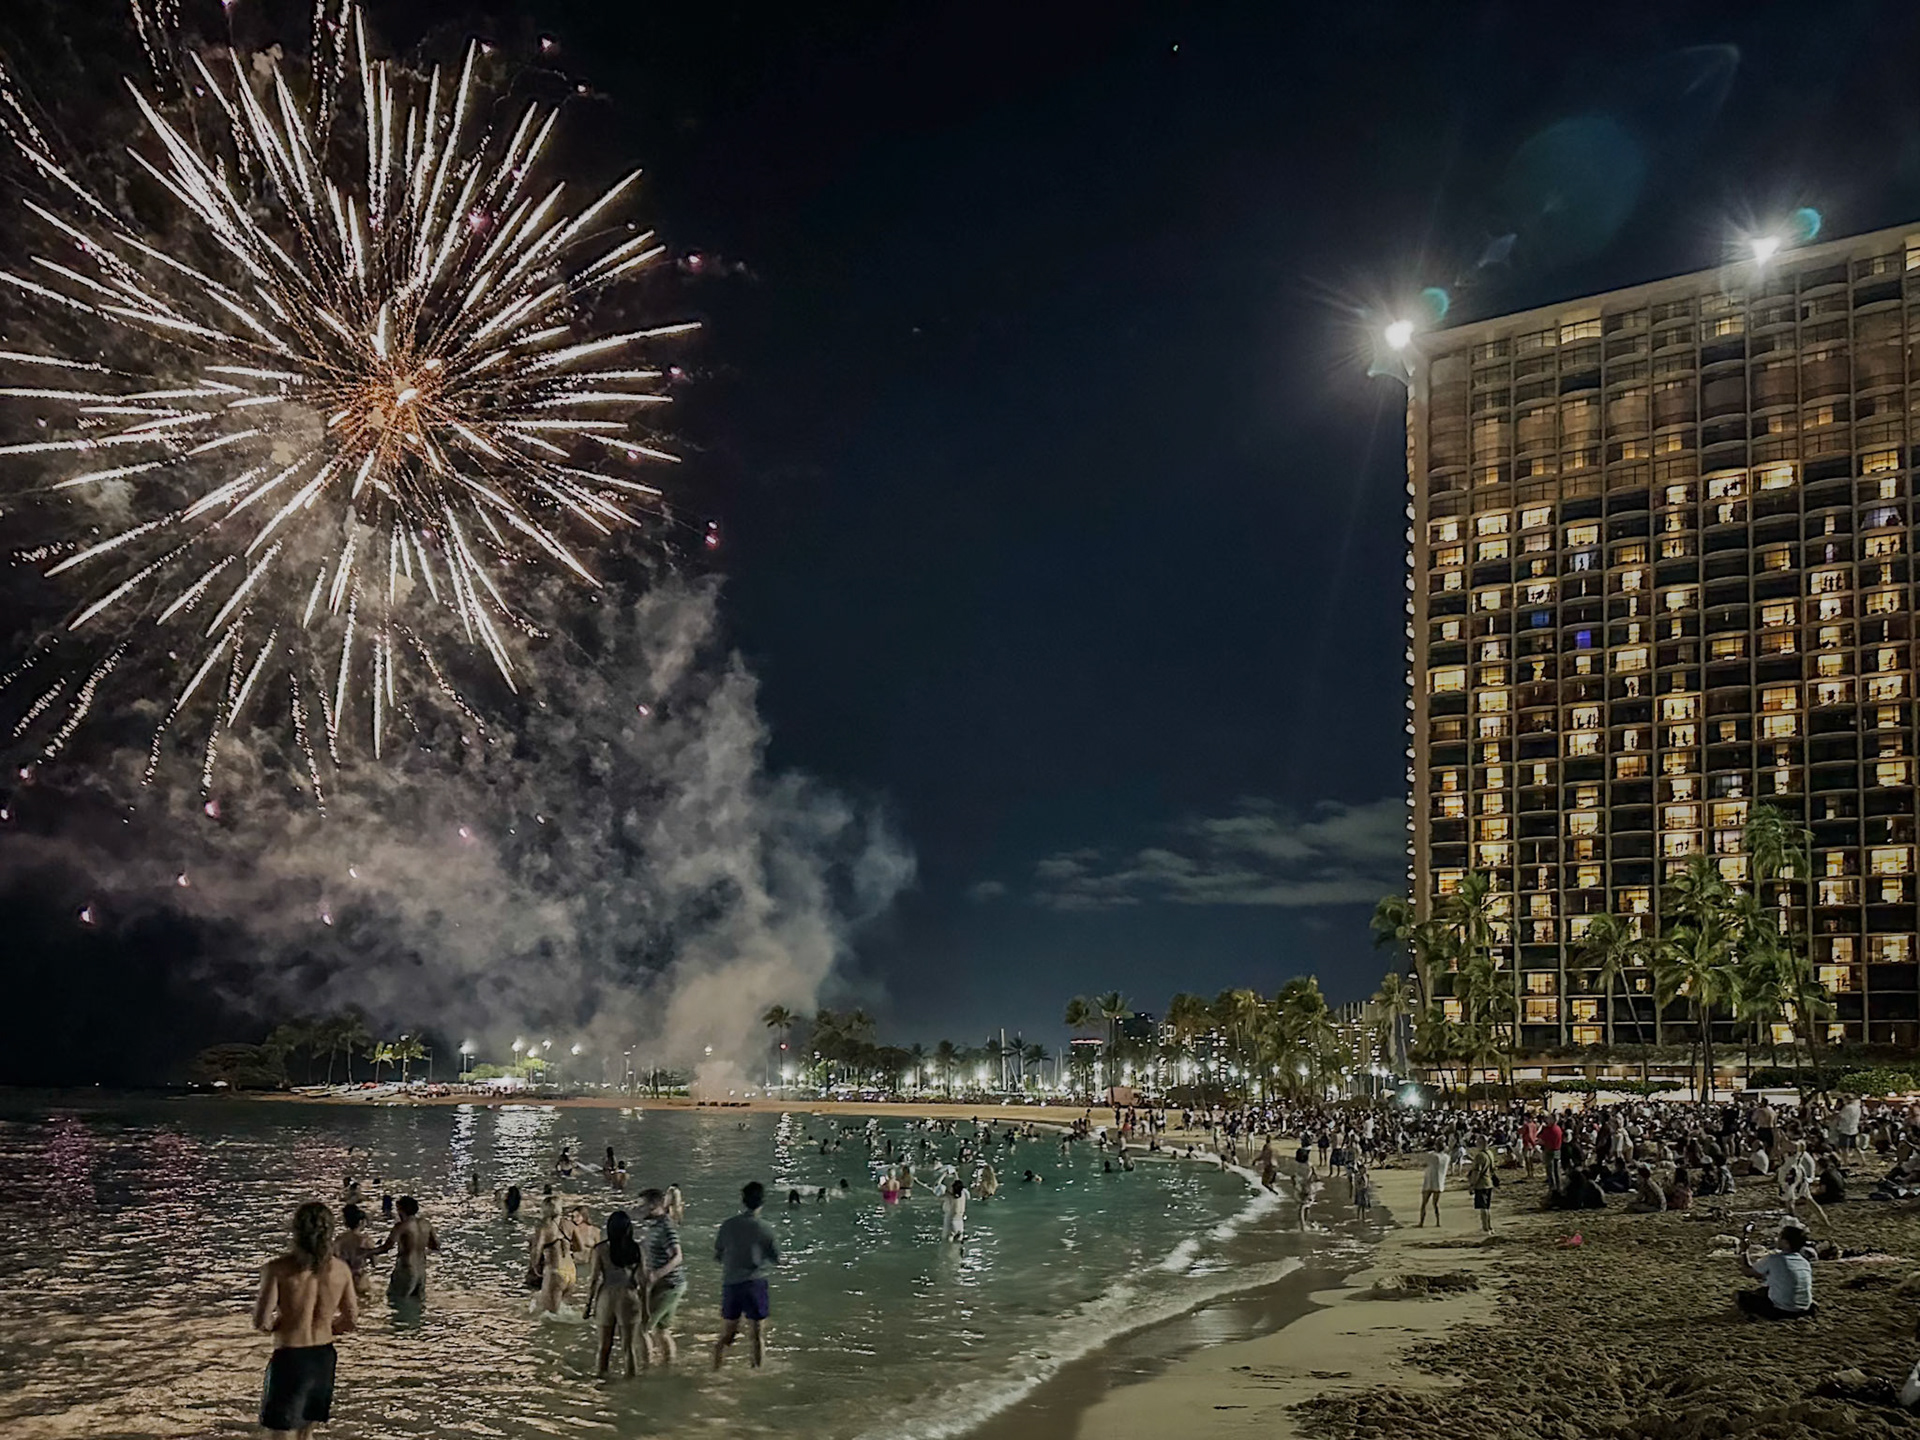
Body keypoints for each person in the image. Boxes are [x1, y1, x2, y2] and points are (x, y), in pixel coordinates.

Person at [253, 1201, 356, 1440]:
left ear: (296, 1230)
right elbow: (351, 1319)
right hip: (323, 1355)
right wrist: (328, 1327)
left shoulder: (277, 1269)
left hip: (290, 1356)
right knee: (305, 1431)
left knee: (279, 1432)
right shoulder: (340, 1270)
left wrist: (280, 1324)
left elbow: (261, 1321)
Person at [713, 1182, 780, 1370]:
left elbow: (718, 1254)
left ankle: (715, 1368)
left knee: (728, 1334)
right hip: (755, 1284)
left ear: (743, 1201)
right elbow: (776, 1258)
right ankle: (756, 1370)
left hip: (732, 1284)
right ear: (762, 1202)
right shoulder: (766, 1228)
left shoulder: (728, 1225)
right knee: (757, 1335)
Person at [584, 1210, 643, 1378]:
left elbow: (594, 1280)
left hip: (607, 1297)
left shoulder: (600, 1249)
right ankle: (631, 1390)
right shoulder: (636, 1249)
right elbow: (643, 1280)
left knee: (604, 1348)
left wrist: (588, 1305)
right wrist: (645, 1308)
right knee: (629, 1349)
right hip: (629, 1297)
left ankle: (601, 1384)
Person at [638, 1188, 685, 1363]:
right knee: (662, 1330)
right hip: (671, 1284)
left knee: (641, 1328)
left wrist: (656, 1274)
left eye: (642, 1206)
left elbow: (677, 1256)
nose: (639, 1209)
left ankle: (645, 1368)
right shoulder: (657, 1226)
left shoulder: (665, 1227)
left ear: (652, 1206)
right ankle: (668, 1365)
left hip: (668, 1285)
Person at [1737, 1222, 1816, 1320]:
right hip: (1804, 1309)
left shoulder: (1775, 1259)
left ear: (1786, 1243)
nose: (1777, 1239)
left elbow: (1747, 1271)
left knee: (1740, 1296)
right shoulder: (1804, 1262)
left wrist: (1744, 1251)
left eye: (1780, 1237)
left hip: (1782, 1311)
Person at [375, 1195, 438, 1304]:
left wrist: (365, 1252)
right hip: (421, 1271)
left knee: (397, 1302)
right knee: (418, 1304)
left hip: (406, 1270)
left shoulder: (402, 1226)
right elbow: (436, 1246)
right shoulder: (426, 1224)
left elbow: (387, 1247)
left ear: (401, 1209)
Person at [333, 1203, 374, 1303]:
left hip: (344, 1277)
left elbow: (334, 1258)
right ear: (361, 1222)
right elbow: (374, 1262)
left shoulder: (339, 1240)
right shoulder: (365, 1240)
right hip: (360, 1277)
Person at [1468, 1140, 1499, 1233]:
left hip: (1481, 1184)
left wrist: (1472, 1184)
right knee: (1487, 1207)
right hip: (1489, 1182)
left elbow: (1477, 1171)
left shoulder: (1480, 1156)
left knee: (1483, 1207)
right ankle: (1489, 1226)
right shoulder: (1490, 1153)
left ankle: (1485, 1227)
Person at [1418, 1143, 1448, 1227]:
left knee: (1424, 1203)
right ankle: (1438, 1222)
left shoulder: (1432, 1156)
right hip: (1439, 1182)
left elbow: (1426, 1159)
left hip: (1429, 1181)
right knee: (1435, 1203)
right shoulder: (1446, 1157)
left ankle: (1421, 1222)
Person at [1540, 1115, 1565, 1193]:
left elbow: (1543, 1139)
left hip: (1550, 1150)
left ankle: (1553, 1188)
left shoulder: (1551, 1129)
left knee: (1550, 1170)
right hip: (1557, 1150)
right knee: (1556, 1170)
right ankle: (1558, 1186)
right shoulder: (1558, 1128)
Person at [942, 1178, 968, 1242]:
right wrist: (955, 1173)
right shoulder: (963, 1194)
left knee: (947, 1245)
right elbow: (959, 1183)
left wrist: (943, 1175)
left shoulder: (949, 1196)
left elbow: (937, 1186)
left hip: (952, 1223)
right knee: (958, 1245)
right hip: (960, 1224)